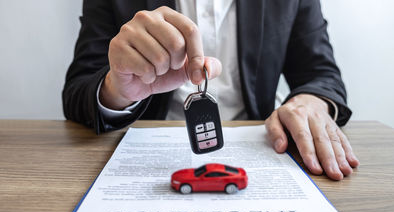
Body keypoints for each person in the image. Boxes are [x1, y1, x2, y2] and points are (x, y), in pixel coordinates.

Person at [63, 0, 359, 180]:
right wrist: (119, 89)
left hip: (263, 149)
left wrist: (311, 102)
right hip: (141, 156)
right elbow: (78, 89)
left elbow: (321, 73)